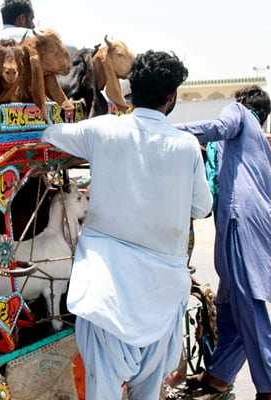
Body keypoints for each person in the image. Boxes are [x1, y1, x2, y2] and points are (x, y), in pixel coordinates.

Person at [41, 50, 212, 400]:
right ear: (171, 97)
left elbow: (50, 133)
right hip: (163, 297)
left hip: (107, 297)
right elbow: (202, 206)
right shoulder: (187, 146)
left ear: (132, 91)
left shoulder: (103, 131)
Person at [175, 86, 271, 400]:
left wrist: (165, 131)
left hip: (239, 217)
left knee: (245, 300)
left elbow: (217, 128)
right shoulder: (260, 140)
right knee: (228, 305)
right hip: (251, 219)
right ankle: (219, 375)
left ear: (242, 103)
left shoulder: (239, 113)